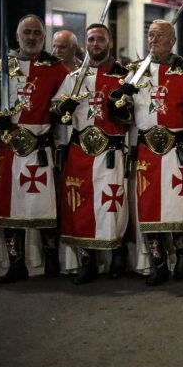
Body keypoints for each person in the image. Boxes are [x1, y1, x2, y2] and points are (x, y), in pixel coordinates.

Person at [0, 14, 70, 282]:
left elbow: (65, 107)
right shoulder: (2, 67)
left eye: (37, 32)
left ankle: (51, 261)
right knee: (8, 208)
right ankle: (16, 264)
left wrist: (61, 112)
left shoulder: (56, 68)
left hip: (41, 149)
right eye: (27, 32)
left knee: (46, 209)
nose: (32, 37)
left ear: (44, 37)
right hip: (9, 150)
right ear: (17, 36)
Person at [112, 19, 183, 286]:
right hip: (146, 150)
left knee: (177, 205)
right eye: (150, 35)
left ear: (172, 40)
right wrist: (119, 98)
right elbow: (123, 113)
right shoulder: (136, 72)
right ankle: (158, 262)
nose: (153, 40)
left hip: (176, 149)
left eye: (160, 36)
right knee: (149, 206)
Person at [51, 23, 133, 285]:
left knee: (112, 204)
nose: (95, 44)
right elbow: (57, 112)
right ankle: (87, 261)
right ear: (84, 44)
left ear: (109, 42)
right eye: (91, 40)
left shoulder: (124, 75)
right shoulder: (74, 77)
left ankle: (117, 254)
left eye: (100, 39)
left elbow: (134, 116)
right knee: (79, 205)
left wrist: (119, 107)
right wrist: (65, 105)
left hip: (110, 150)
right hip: (80, 151)